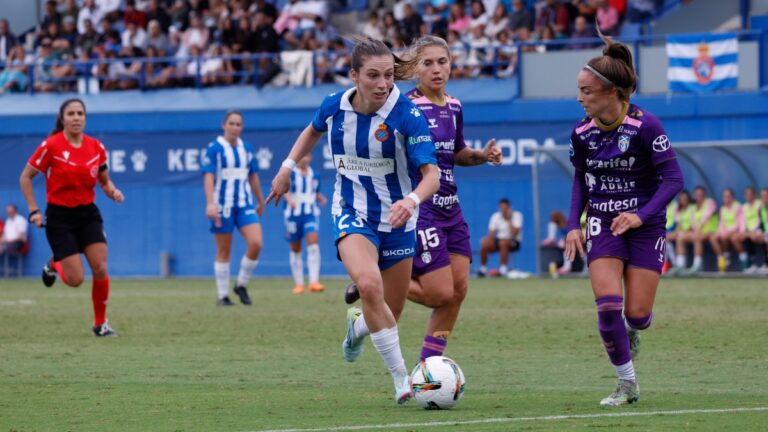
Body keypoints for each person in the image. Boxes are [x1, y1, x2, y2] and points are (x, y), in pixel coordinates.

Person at [266, 37, 440, 404]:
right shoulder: (334, 106)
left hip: (398, 220)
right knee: (368, 286)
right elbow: (311, 130)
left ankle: (356, 328)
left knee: (388, 312)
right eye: (373, 76)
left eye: (389, 76)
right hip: (351, 212)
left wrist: (410, 201)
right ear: (354, 76)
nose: (382, 84)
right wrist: (286, 167)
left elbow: (432, 176)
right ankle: (401, 380)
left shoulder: (407, 115)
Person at [343, 35, 502, 363]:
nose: (436, 69)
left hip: (451, 209)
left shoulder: (454, 106)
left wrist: (482, 156)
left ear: (451, 64)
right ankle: (372, 285)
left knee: (457, 293)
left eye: (442, 62)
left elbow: (455, 153)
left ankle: (428, 369)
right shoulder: (404, 107)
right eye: (427, 63)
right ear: (414, 68)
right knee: (439, 292)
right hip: (419, 207)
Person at [563, 32, 684, 407]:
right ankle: (626, 383)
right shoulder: (581, 133)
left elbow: (674, 179)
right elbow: (581, 179)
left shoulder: (647, 126)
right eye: (579, 90)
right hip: (602, 220)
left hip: (646, 224)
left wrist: (640, 215)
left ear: (612, 92)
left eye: (586, 91)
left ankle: (634, 329)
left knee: (638, 313)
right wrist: (573, 224)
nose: (580, 97)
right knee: (608, 302)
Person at [19, 98, 125, 337]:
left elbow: (105, 182)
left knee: (100, 268)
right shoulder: (51, 146)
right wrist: (34, 210)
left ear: (85, 118)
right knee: (76, 279)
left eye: (80, 113)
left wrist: (113, 192)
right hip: (60, 217)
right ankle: (54, 264)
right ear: (63, 119)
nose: (76, 118)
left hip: (88, 214)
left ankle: (100, 325)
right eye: (71, 114)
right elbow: (25, 177)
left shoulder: (96, 147)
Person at [201, 111, 265, 306]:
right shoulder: (214, 148)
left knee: (256, 243)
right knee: (224, 250)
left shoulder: (246, 148)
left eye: (238, 124)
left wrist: (260, 200)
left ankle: (241, 284)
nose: (235, 127)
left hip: (244, 203)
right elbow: (208, 177)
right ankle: (223, 296)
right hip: (223, 205)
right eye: (232, 123)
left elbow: (253, 176)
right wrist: (211, 203)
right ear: (224, 125)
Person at [283, 154, 327, 294]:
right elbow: (284, 190)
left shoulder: (315, 174)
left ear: (310, 158)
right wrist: (289, 199)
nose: (304, 159)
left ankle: (314, 282)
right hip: (293, 215)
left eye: (307, 156)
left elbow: (315, 192)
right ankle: (299, 284)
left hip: (310, 214)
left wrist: (321, 198)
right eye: (302, 156)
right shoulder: (290, 174)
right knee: (295, 248)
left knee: (313, 243)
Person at [478, 198, 523, 277]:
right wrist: (489, 241)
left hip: (514, 241)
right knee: (484, 243)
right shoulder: (495, 216)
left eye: (505, 207)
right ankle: (483, 269)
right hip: (499, 240)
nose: (503, 209)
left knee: (503, 242)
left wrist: (509, 220)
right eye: (501, 207)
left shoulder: (517, 215)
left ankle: (503, 269)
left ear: (509, 207)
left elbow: (515, 233)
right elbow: (491, 233)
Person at [678, 186, 718, 273]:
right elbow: (693, 221)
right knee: (680, 238)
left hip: (711, 231)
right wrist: (695, 230)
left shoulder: (710, 202)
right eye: (697, 195)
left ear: (704, 195)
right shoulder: (693, 207)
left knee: (696, 238)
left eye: (701, 195)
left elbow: (706, 217)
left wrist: (698, 230)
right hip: (699, 232)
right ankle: (680, 265)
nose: (699, 197)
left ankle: (697, 266)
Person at [710, 188, 745, 272]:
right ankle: (722, 260)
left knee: (733, 239)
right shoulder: (722, 208)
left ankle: (744, 263)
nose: (726, 198)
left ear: (732, 197)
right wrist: (723, 232)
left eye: (728, 196)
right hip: (726, 232)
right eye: (725, 196)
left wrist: (729, 231)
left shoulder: (738, 206)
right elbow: (721, 223)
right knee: (713, 238)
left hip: (736, 231)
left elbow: (739, 222)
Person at [738, 186, 763, 273]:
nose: (749, 196)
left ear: (754, 195)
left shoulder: (760, 204)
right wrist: (745, 232)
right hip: (749, 232)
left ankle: (765, 264)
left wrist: (754, 230)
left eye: (750, 194)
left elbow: (760, 219)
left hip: (759, 229)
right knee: (742, 238)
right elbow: (742, 221)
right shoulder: (744, 206)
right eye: (747, 194)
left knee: (761, 238)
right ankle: (751, 264)